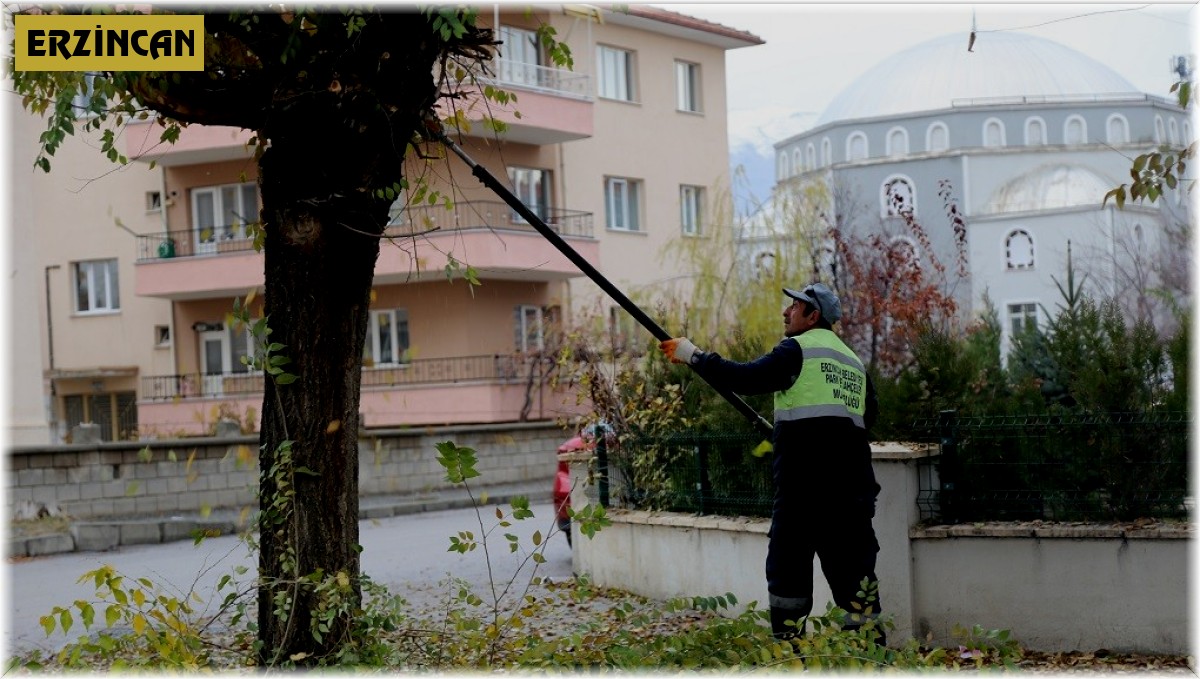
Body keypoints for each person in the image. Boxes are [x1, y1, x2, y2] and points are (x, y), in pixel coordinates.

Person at [659, 283, 885, 644]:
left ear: (813, 317)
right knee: (857, 587)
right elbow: (863, 417)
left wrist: (695, 356)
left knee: (788, 579)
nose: (786, 312)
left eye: (794, 307)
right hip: (851, 499)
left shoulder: (797, 349)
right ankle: (872, 660)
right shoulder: (853, 364)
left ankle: (790, 656)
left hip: (803, 495)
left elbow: (745, 378)